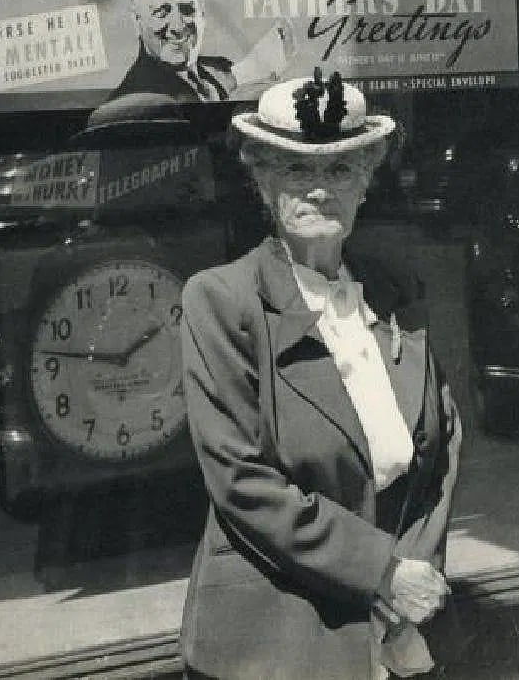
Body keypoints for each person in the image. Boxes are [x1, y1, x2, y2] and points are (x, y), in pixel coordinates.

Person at [180, 69, 462, 680]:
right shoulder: (223, 301)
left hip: (394, 627)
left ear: (366, 182)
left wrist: (413, 574)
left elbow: (441, 445)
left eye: (339, 170)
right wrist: (381, 571)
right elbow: (241, 481)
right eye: (295, 170)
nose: (318, 191)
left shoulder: (393, 290)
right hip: (278, 635)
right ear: (260, 180)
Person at [106, 0, 236, 105]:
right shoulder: (131, 103)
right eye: (161, 12)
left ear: (202, 14)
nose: (178, 26)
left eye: (187, 9)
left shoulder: (223, 73)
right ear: (137, 22)